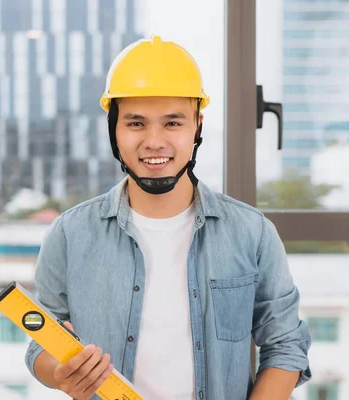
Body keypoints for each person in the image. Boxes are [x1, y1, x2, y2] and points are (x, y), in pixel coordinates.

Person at [24, 35, 312, 400]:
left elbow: (286, 345)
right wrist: (61, 374)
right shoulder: (69, 234)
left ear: (197, 126)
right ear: (114, 128)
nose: (155, 141)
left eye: (173, 123)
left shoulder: (252, 233)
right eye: (136, 123)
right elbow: (40, 345)